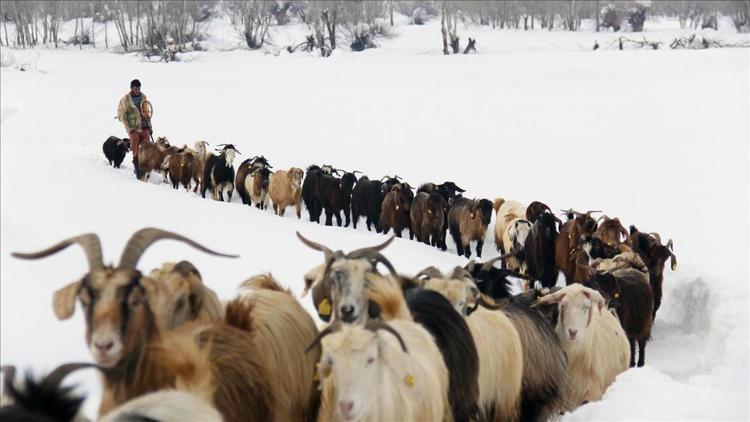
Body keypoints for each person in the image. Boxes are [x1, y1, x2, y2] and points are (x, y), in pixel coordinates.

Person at [117, 79, 152, 175]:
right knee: (135, 143)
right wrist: (129, 128)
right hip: (133, 127)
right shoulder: (125, 100)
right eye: (136, 89)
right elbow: (122, 115)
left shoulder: (143, 97)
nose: (137, 91)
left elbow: (147, 112)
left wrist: (150, 127)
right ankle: (136, 165)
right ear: (132, 88)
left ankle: (145, 163)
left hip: (144, 125)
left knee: (147, 145)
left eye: (139, 89)